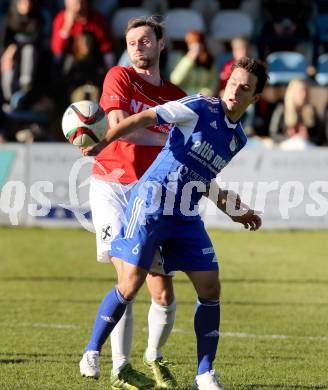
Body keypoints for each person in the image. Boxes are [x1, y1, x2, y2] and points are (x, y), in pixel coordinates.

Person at [81, 57, 268, 389]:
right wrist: (104, 141)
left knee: (210, 287)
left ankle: (204, 374)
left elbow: (205, 178)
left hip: (185, 215)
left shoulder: (237, 139)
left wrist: (239, 211)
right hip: (151, 203)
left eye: (244, 88)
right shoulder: (199, 106)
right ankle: (92, 351)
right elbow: (143, 117)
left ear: (254, 99)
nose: (234, 92)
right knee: (130, 284)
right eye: (233, 83)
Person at [79, 16, 186, 389]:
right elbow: (121, 124)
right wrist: (168, 139)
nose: (137, 47)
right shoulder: (119, 77)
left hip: (150, 192)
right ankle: (119, 367)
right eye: (132, 42)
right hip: (111, 185)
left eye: (145, 41)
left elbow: (183, 150)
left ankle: (154, 357)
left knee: (164, 290)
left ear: (160, 45)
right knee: (128, 278)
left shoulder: (176, 96)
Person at [269, 79, 325, 149]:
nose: (304, 95)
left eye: (306, 91)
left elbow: (320, 136)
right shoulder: (282, 109)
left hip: (307, 147)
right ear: (292, 93)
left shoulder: (312, 110)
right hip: (286, 147)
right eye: (300, 92)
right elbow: (274, 134)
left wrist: (307, 137)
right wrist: (291, 137)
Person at [170, 30, 217, 96]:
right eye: (193, 44)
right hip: (184, 98)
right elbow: (175, 80)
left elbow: (213, 84)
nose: (197, 48)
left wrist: (205, 94)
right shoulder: (180, 58)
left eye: (199, 44)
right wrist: (189, 59)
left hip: (204, 99)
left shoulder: (209, 60)